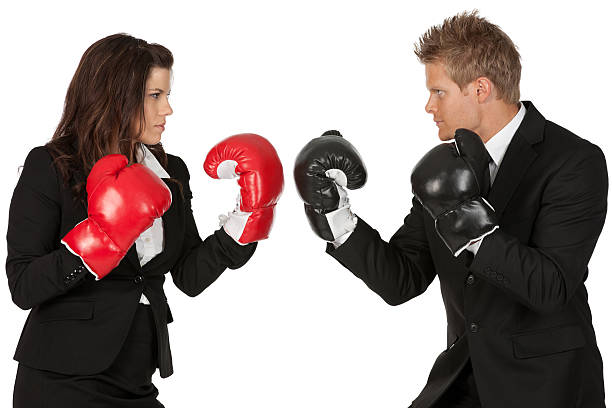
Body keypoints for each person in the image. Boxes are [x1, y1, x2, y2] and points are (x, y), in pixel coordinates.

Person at [294, 11, 607, 408]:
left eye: (438, 92)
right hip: (461, 379)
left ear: (480, 88)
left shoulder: (573, 161)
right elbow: (401, 281)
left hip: (547, 386)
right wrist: (337, 215)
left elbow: (551, 288)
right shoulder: (445, 170)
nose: (428, 106)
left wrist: (468, 225)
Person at [6, 33, 283, 407]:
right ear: (114, 96)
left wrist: (245, 221)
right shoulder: (52, 165)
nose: (167, 110)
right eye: (155, 96)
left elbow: (188, 275)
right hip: (62, 380)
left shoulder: (170, 172)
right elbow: (23, 285)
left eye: (167, 95)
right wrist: (99, 241)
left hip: (136, 376)